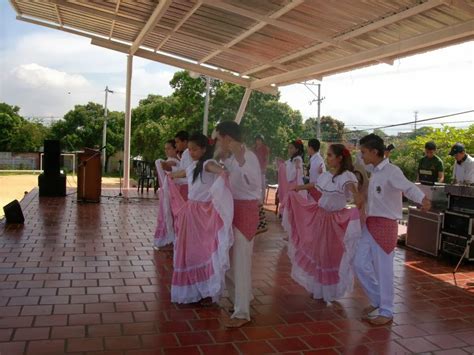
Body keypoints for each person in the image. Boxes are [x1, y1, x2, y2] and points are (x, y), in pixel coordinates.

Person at [354, 134, 430, 325]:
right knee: (359, 263)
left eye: (364, 152)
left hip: (386, 225)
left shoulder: (392, 171)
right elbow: (358, 162)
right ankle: (378, 300)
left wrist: (422, 199)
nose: (361, 156)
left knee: (384, 270)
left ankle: (387, 311)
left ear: (374, 152)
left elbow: (408, 187)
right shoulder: (374, 170)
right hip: (371, 224)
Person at [288, 144, 362, 303]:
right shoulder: (327, 175)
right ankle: (318, 289)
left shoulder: (347, 176)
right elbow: (315, 185)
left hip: (334, 221)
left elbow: (356, 194)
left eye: (329, 155)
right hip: (320, 216)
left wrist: (358, 205)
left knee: (329, 254)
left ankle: (329, 290)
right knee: (318, 252)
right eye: (327, 155)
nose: (327, 158)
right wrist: (299, 187)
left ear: (339, 158)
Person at [168, 133, 234, 304]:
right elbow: (182, 173)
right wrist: (170, 175)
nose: (191, 152)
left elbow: (219, 171)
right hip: (191, 212)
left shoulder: (207, 163)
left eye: (195, 149)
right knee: (189, 251)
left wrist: (223, 170)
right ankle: (194, 288)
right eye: (189, 149)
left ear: (204, 149)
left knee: (202, 251)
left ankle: (204, 287)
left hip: (202, 213)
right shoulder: (195, 165)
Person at [214, 121, 262, 328]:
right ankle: (239, 299)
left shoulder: (248, 156)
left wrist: (240, 160)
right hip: (233, 211)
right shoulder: (233, 158)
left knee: (241, 263)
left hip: (245, 212)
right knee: (230, 263)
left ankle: (243, 313)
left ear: (227, 138)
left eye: (218, 138)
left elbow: (254, 184)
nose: (217, 142)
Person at [154, 140, 180, 250]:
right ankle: (170, 237)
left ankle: (169, 239)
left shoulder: (173, 161)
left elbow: (167, 166)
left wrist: (159, 162)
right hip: (172, 190)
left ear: (175, 149)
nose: (166, 151)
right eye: (165, 148)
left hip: (173, 191)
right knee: (170, 214)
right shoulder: (175, 160)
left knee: (168, 214)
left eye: (169, 148)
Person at [277, 139, 305, 226]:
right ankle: (290, 232)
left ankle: (293, 233)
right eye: (288, 148)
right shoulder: (291, 160)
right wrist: (282, 163)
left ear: (297, 149)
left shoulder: (297, 159)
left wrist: (296, 165)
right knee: (291, 209)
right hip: (292, 186)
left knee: (293, 209)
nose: (289, 150)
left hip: (295, 186)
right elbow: (287, 165)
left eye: (291, 148)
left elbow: (292, 174)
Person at [254, 134, 270, 234]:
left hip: (262, 170)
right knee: (256, 187)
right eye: (257, 140)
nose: (258, 141)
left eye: (259, 140)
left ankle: (261, 204)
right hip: (255, 170)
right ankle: (258, 205)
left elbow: (267, 158)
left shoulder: (265, 148)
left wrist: (265, 168)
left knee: (262, 187)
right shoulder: (253, 148)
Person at [173, 130, 192, 200]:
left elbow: (186, 172)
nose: (175, 145)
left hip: (187, 186)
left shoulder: (187, 152)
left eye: (177, 142)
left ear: (185, 142)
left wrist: (173, 175)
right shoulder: (185, 153)